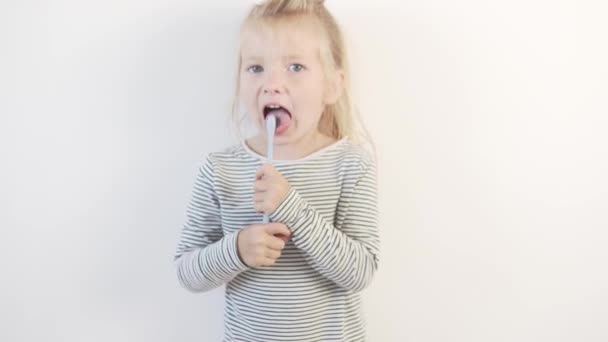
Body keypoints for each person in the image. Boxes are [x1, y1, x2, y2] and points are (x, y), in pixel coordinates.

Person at [174, 0, 380, 340]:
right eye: (255, 68)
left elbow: (359, 272)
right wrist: (237, 250)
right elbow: (187, 272)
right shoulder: (220, 169)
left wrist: (292, 209)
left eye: (295, 67)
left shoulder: (350, 164)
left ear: (332, 85)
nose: (271, 84)